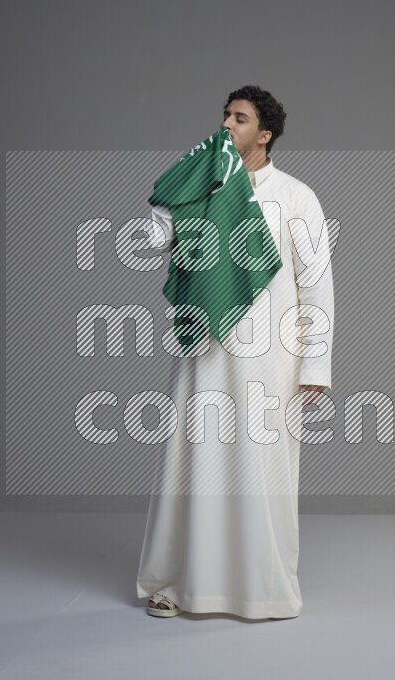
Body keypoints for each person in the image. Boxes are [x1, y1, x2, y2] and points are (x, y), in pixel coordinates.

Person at [136, 85, 335, 619]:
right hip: (204, 348)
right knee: (193, 461)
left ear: (264, 135)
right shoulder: (203, 185)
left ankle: (261, 588)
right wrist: (181, 180)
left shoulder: (296, 196)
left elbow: (317, 282)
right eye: (225, 115)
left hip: (270, 356)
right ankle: (180, 583)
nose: (226, 125)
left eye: (239, 119)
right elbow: (154, 239)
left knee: (260, 466)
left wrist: (316, 362)